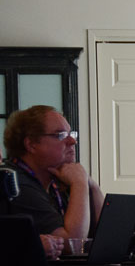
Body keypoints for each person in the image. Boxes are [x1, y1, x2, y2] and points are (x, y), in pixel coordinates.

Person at [3, 105, 104, 253]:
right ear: (31, 144)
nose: (73, 141)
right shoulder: (15, 183)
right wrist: (79, 183)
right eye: (60, 135)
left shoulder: (58, 179)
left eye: (71, 134)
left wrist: (92, 185)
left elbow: (107, 235)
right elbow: (72, 244)